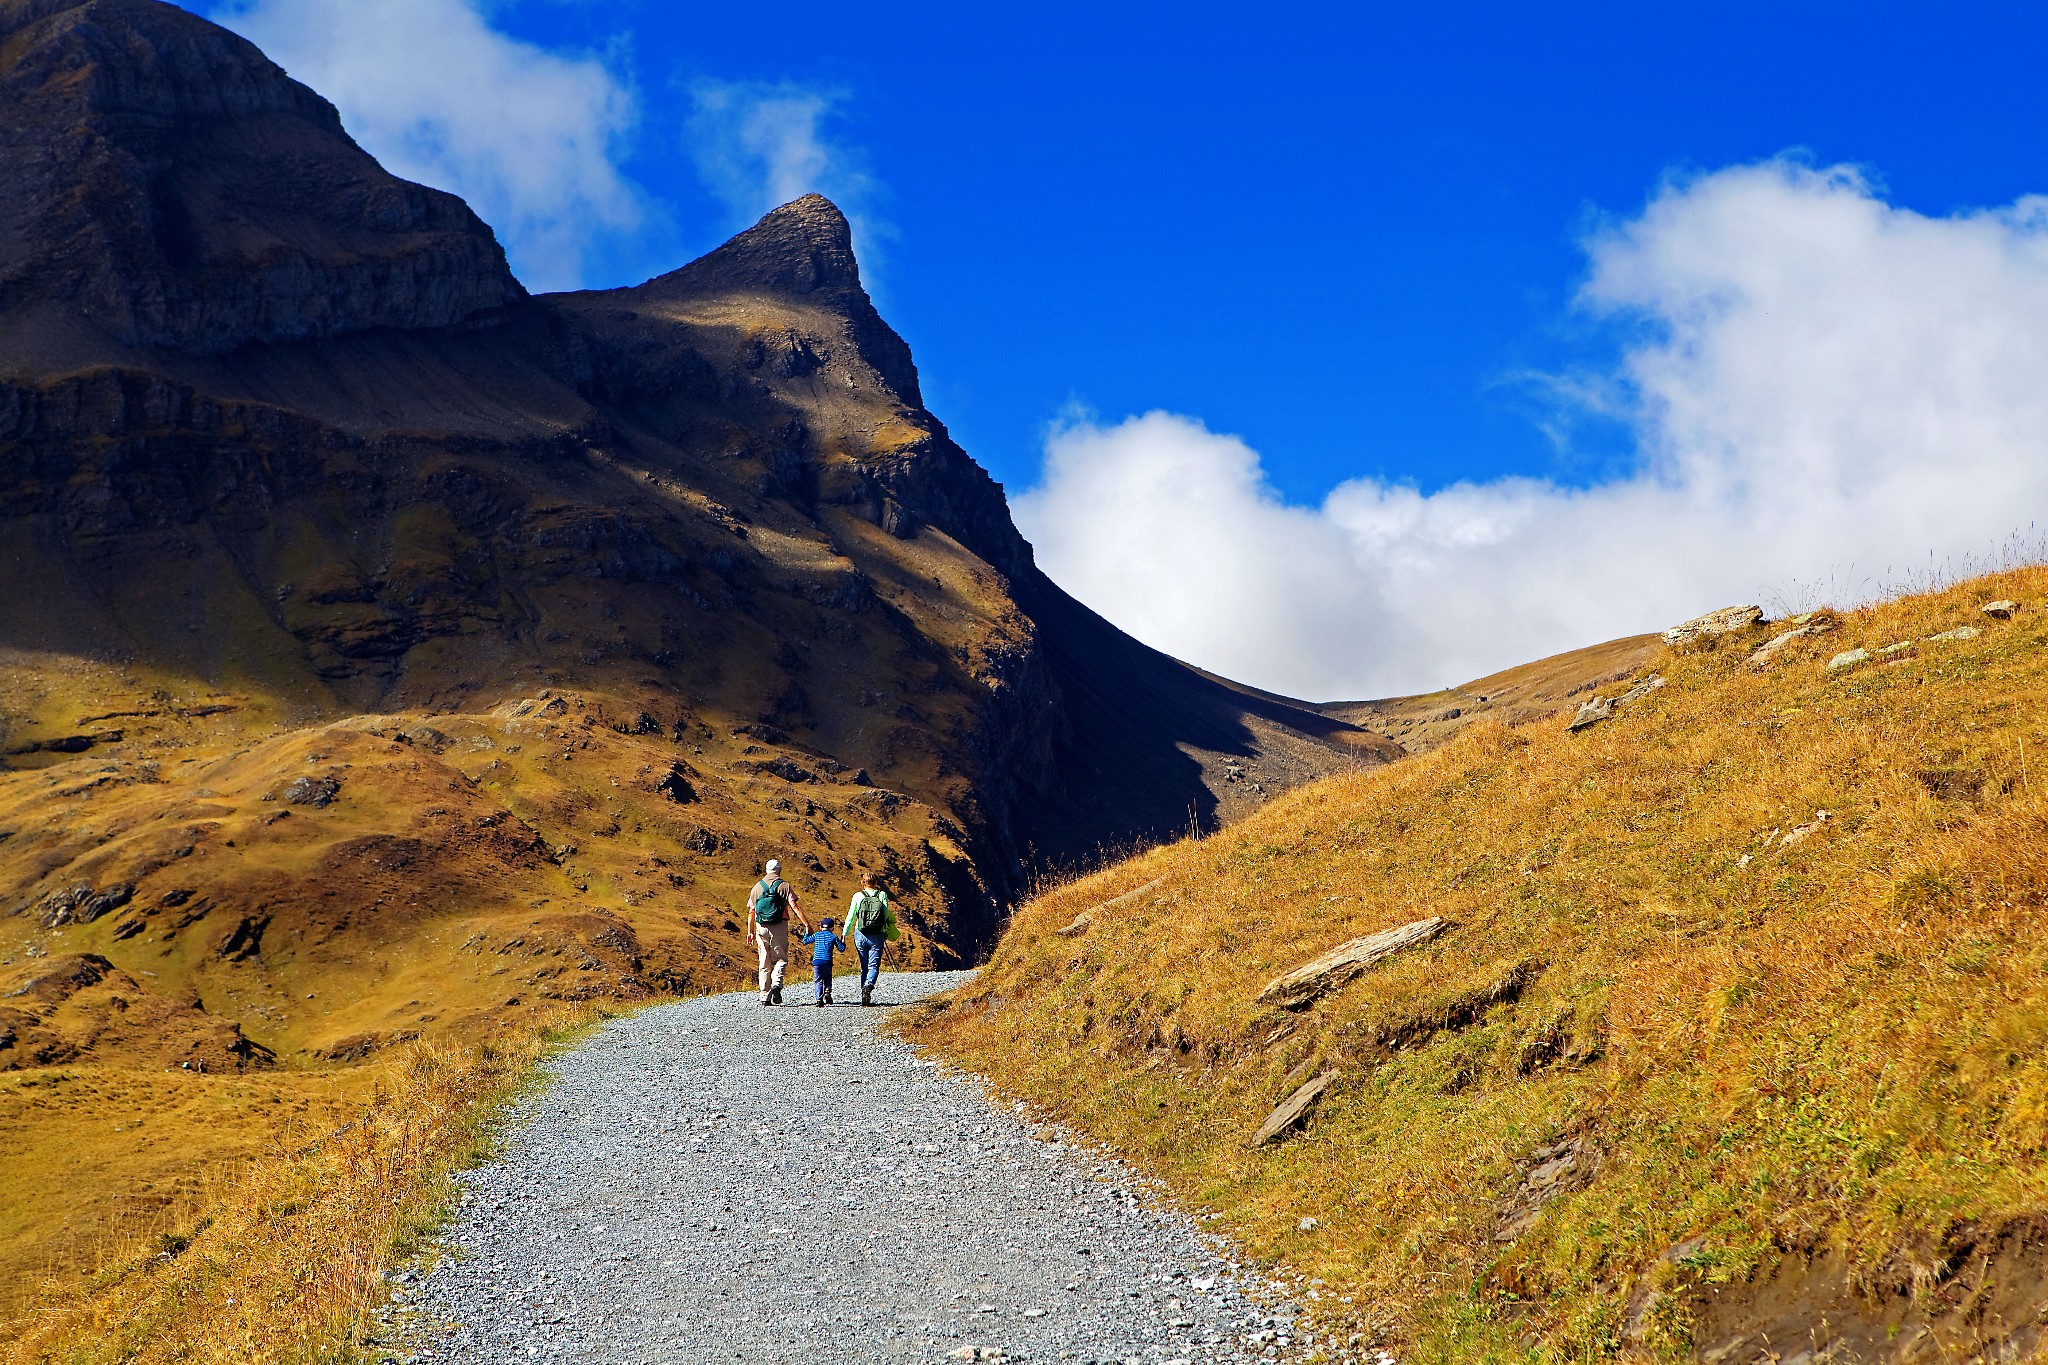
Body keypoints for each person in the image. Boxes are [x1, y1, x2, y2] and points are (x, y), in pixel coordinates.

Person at [745, 859, 809, 1006]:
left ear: (767, 870)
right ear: (779, 870)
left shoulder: (756, 887)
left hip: (761, 927)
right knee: (780, 959)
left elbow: (751, 912)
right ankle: (776, 985)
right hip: (779, 926)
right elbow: (794, 905)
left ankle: (764, 996)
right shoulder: (784, 886)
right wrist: (806, 924)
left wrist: (750, 932)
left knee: (764, 960)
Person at [843, 871, 899, 1007]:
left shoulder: (857, 896)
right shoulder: (882, 895)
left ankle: (864, 995)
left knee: (864, 966)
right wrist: (889, 924)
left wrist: (844, 933)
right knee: (873, 965)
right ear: (876, 883)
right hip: (877, 934)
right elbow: (886, 914)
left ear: (863, 883)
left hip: (860, 933)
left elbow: (851, 916)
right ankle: (868, 986)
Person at [800, 917, 847, 1007]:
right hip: (827, 961)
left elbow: (805, 941)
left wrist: (807, 932)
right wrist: (843, 941)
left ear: (821, 927)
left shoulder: (817, 935)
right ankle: (827, 990)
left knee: (818, 980)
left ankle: (819, 1000)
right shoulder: (833, 937)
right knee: (827, 977)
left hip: (817, 961)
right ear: (832, 928)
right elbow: (841, 949)